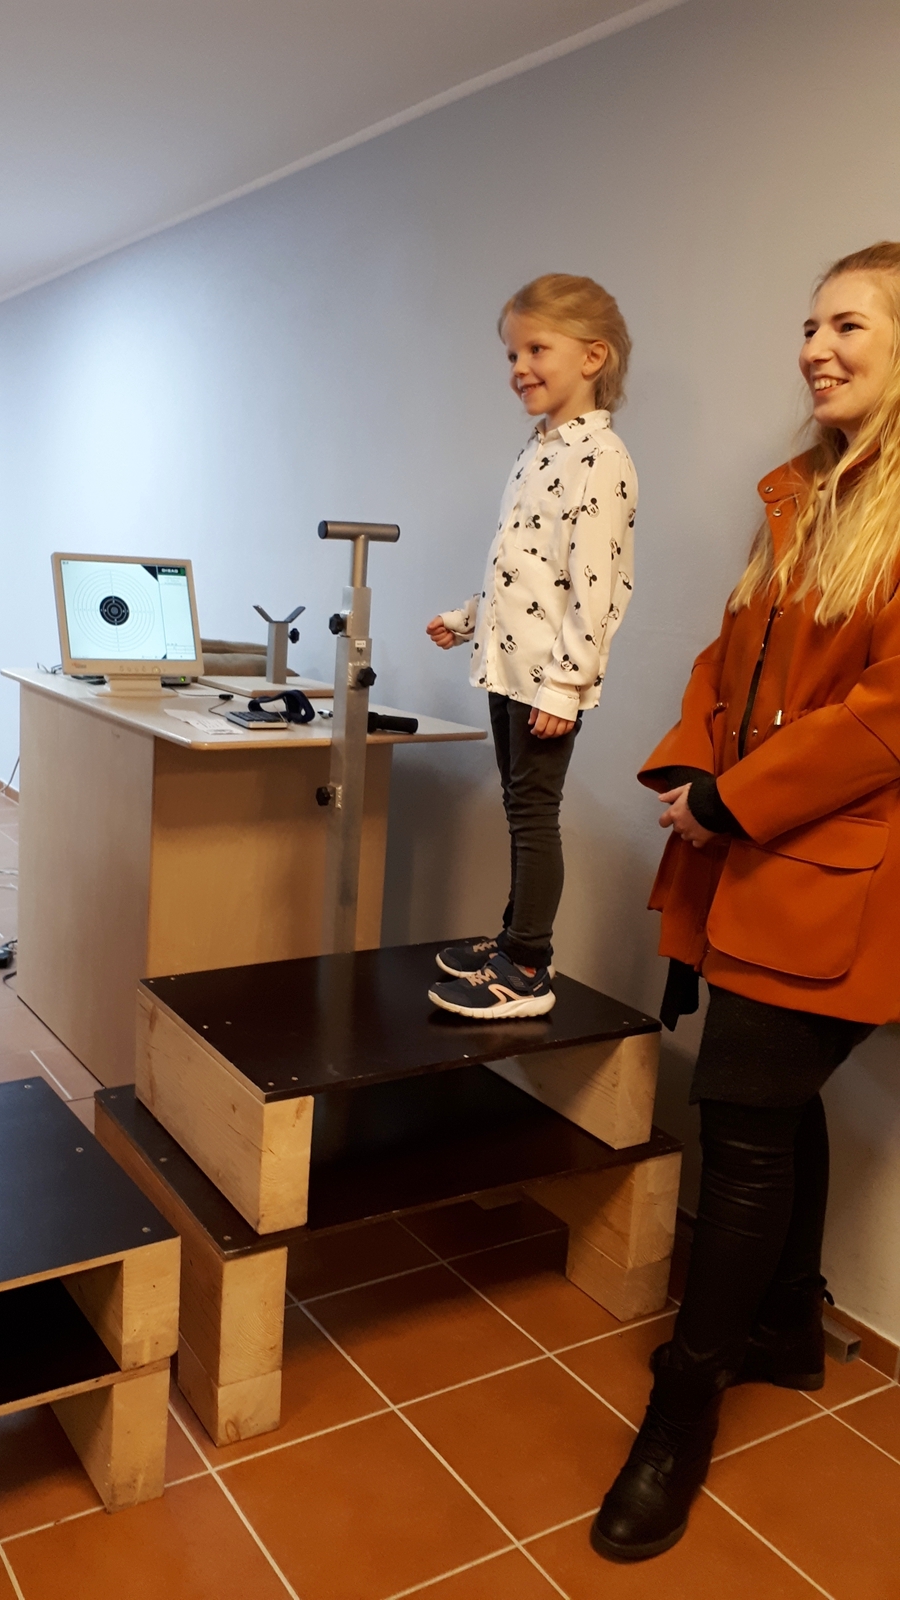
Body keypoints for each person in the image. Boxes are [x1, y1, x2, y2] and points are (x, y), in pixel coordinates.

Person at [591, 241, 900, 1562]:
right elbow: (730, 656)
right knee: (773, 1102)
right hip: (764, 850)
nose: (815, 348)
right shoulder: (808, 493)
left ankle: (684, 1403)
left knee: (744, 1120)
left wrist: (734, 801)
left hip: (840, 874)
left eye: (849, 325)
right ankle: (786, 1322)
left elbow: (885, 714)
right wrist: (692, 768)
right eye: (811, 324)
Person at [426, 273, 637, 1018]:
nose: (519, 367)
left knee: (533, 814)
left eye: (536, 349)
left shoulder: (600, 458)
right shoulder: (539, 449)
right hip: (507, 662)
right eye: (512, 354)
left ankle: (527, 966)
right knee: (521, 807)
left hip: (547, 679)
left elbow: (597, 587)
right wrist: (469, 618)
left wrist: (566, 686)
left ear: (592, 356)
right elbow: (529, 568)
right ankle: (515, 935)